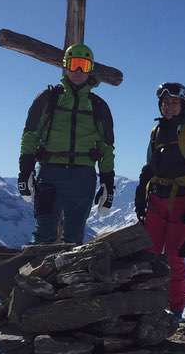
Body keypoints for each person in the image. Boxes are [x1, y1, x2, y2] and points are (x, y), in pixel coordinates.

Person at [17, 43, 115, 244]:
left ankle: (71, 276)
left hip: (82, 177)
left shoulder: (99, 106)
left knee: (74, 238)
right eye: (74, 64)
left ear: (90, 70)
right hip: (49, 174)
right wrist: (25, 171)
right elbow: (30, 136)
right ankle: (35, 275)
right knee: (44, 234)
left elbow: (106, 148)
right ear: (65, 66)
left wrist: (108, 183)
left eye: (84, 66)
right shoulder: (48, 99)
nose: (78, 71)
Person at [135, 82, 185, 320]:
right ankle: (147, 305)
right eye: (165, 102)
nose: (169, 106)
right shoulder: (157, 132)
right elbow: (149, 168)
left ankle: (175, 311)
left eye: (174, 102)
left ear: (183, 104)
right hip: (157, 199)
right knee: (149, 255)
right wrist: (141, 197)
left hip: (181, 202)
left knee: (174, 258)